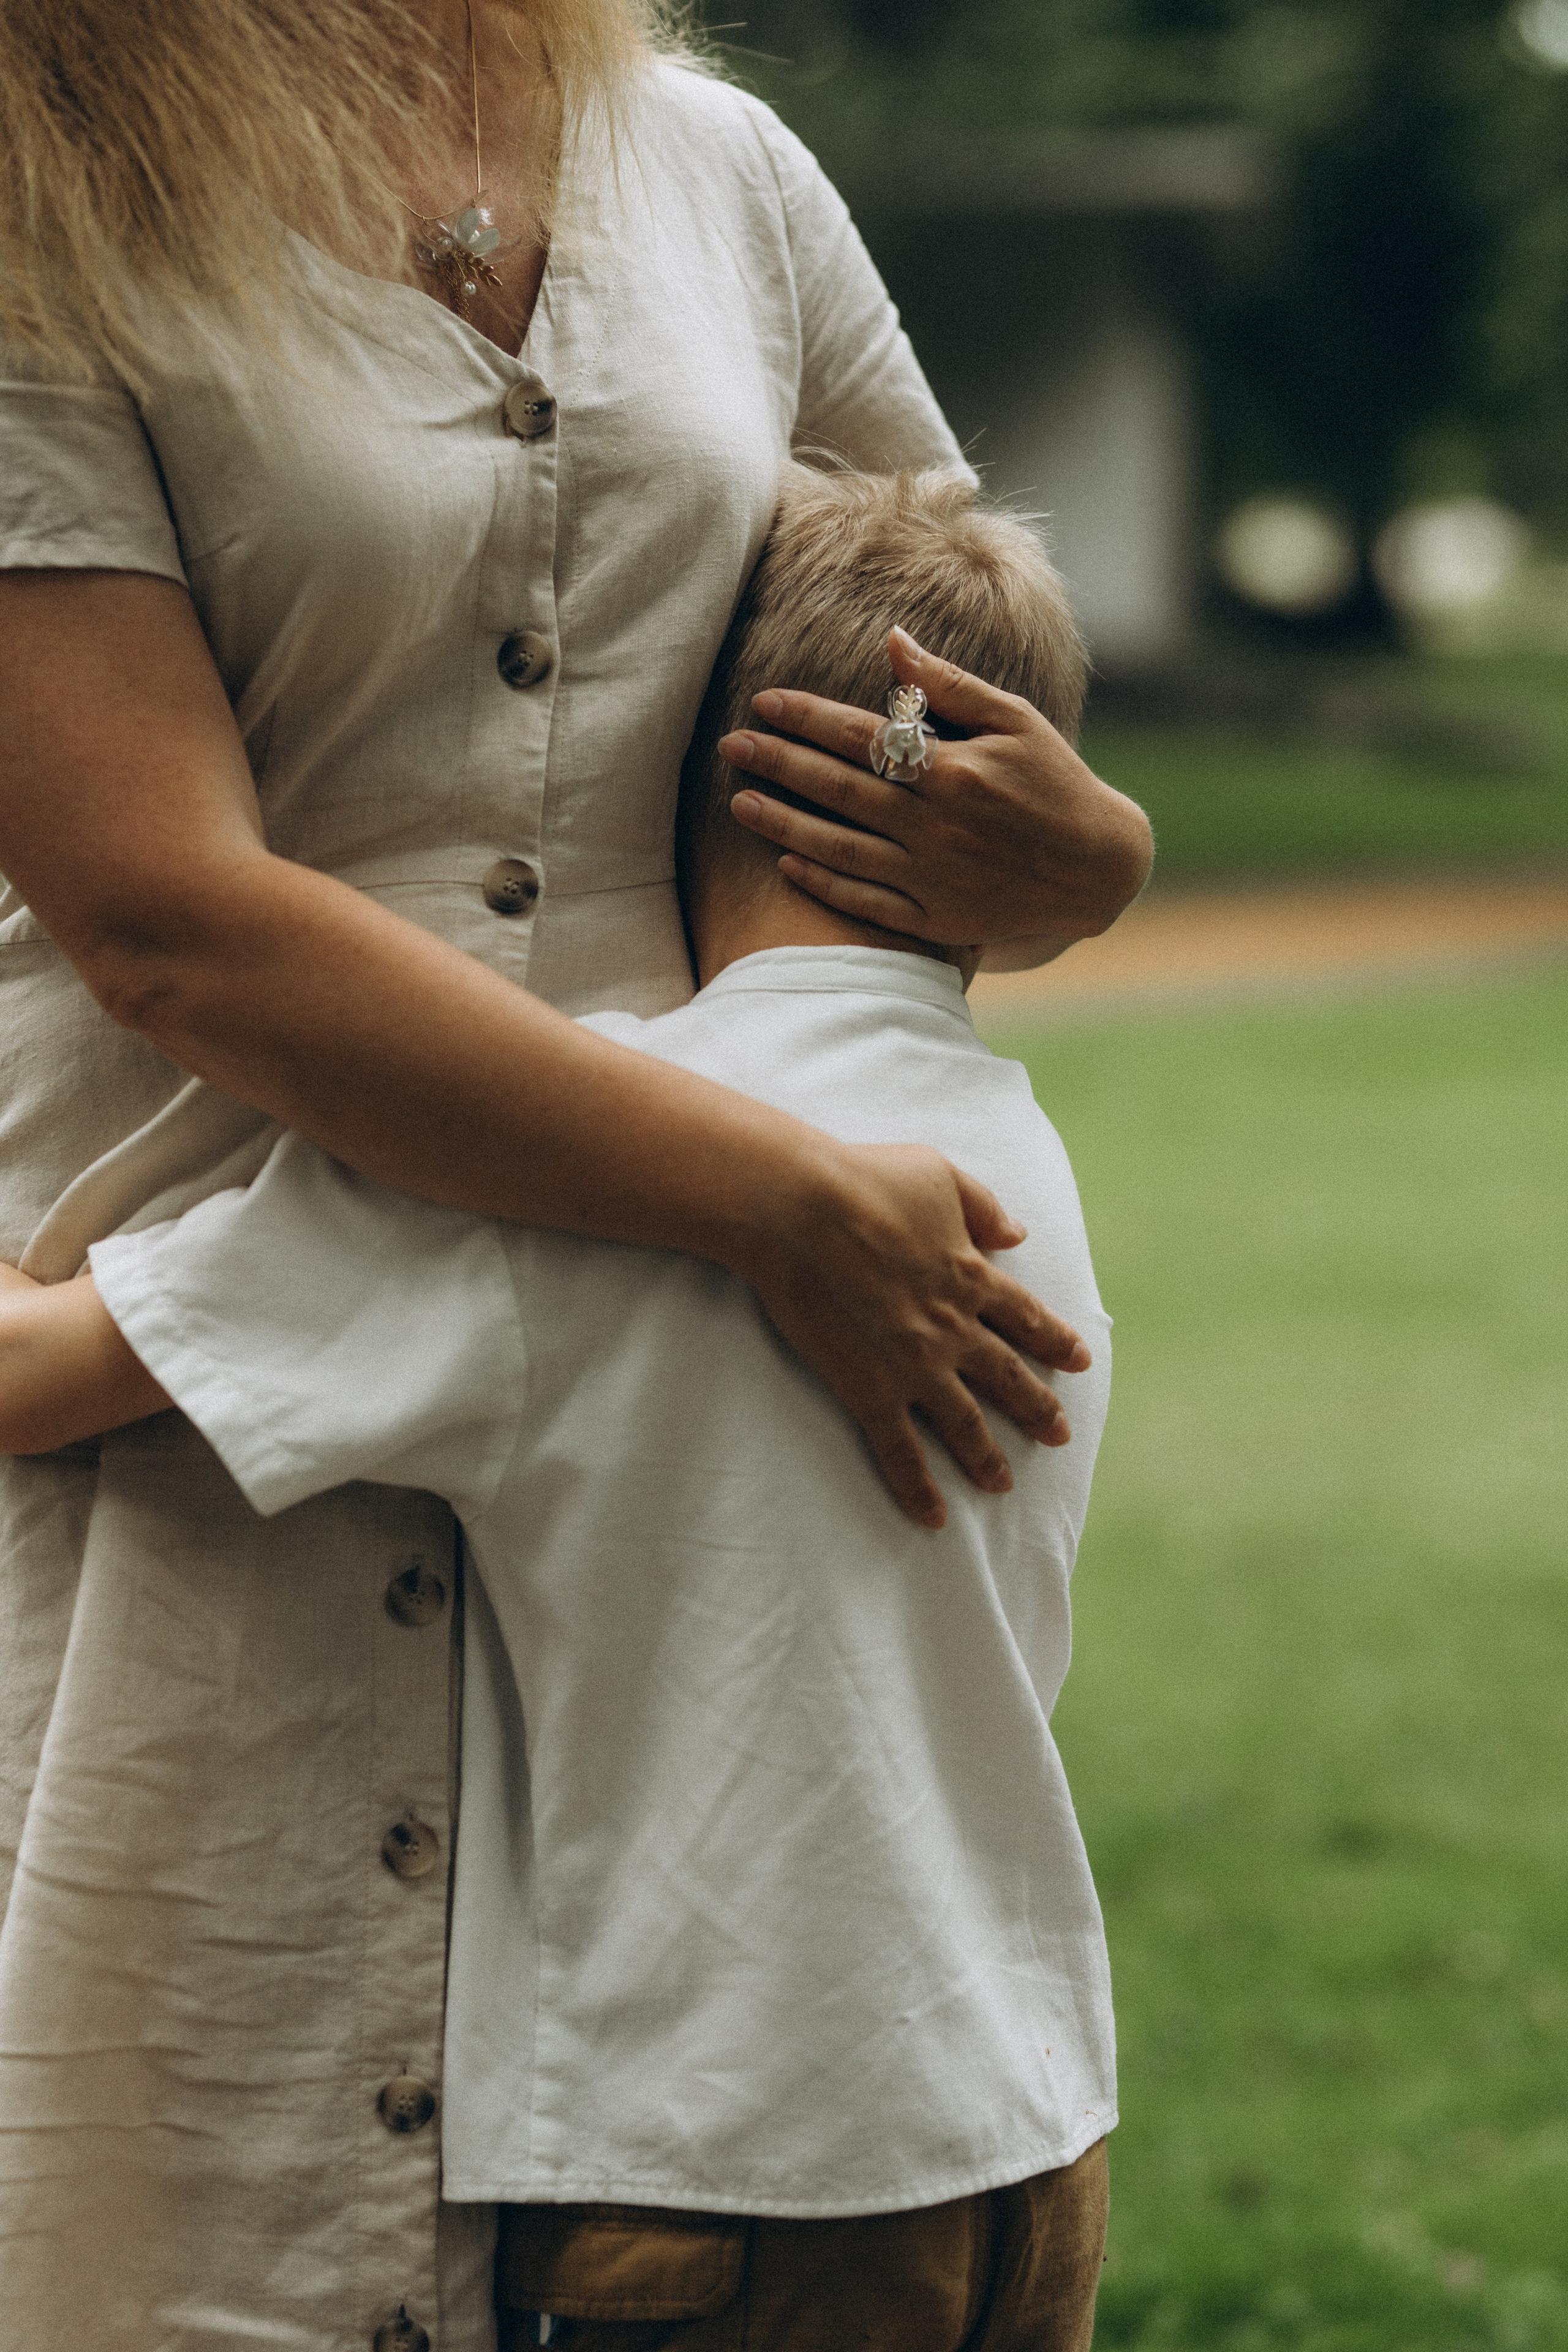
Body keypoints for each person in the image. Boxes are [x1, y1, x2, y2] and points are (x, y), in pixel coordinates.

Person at [0, 6, 1151, 2343]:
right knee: (177, 2197)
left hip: (686, 1337)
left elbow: (925, 646)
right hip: (229, 1293)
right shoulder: (43, 183)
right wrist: (763, 1193)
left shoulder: (716, 170)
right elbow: (161, 917)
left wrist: (1094, 856)